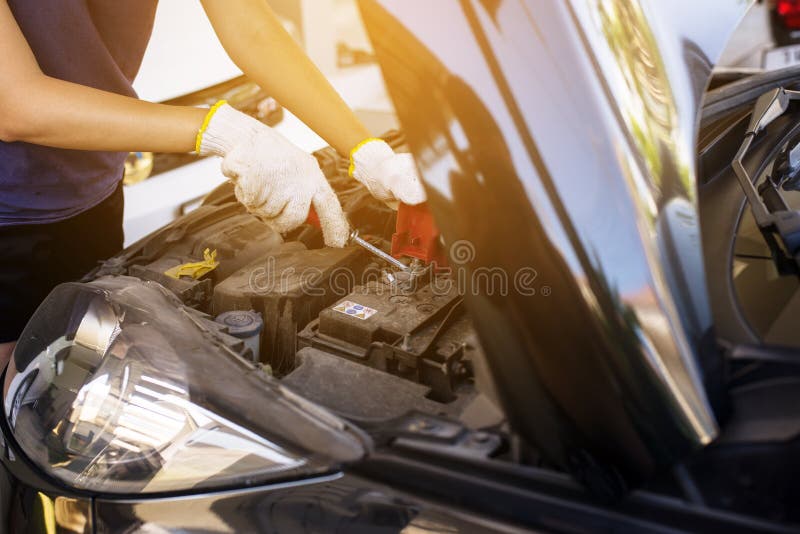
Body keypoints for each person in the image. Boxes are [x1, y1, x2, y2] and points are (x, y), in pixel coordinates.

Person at [0, 0, 426, 368]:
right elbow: (16, 104)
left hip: (92, 185)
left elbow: (250, 26)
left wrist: (366, 152)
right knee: (21, 385)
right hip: (7, 215)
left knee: (82, 363)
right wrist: (223, 131)